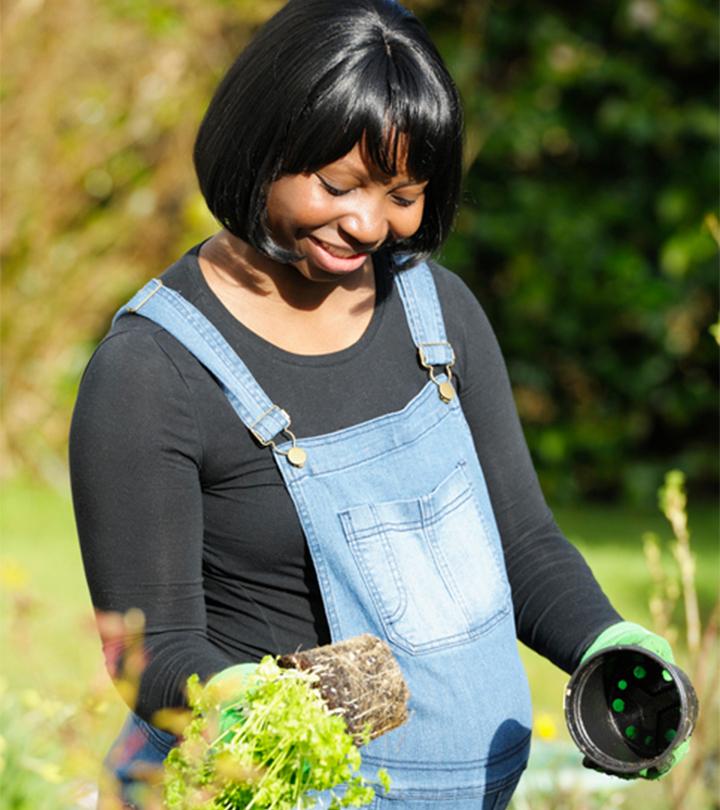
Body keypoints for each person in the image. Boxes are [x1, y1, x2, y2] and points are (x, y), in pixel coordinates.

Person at [68, 1, 688, 808]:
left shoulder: (438, 315)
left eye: (404, 193)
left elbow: (524, 544)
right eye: (337, 184)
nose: (367, 222)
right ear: (260, 142)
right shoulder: (152, 372)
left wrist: (607, 642)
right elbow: (149, 652)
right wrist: (259, 710)